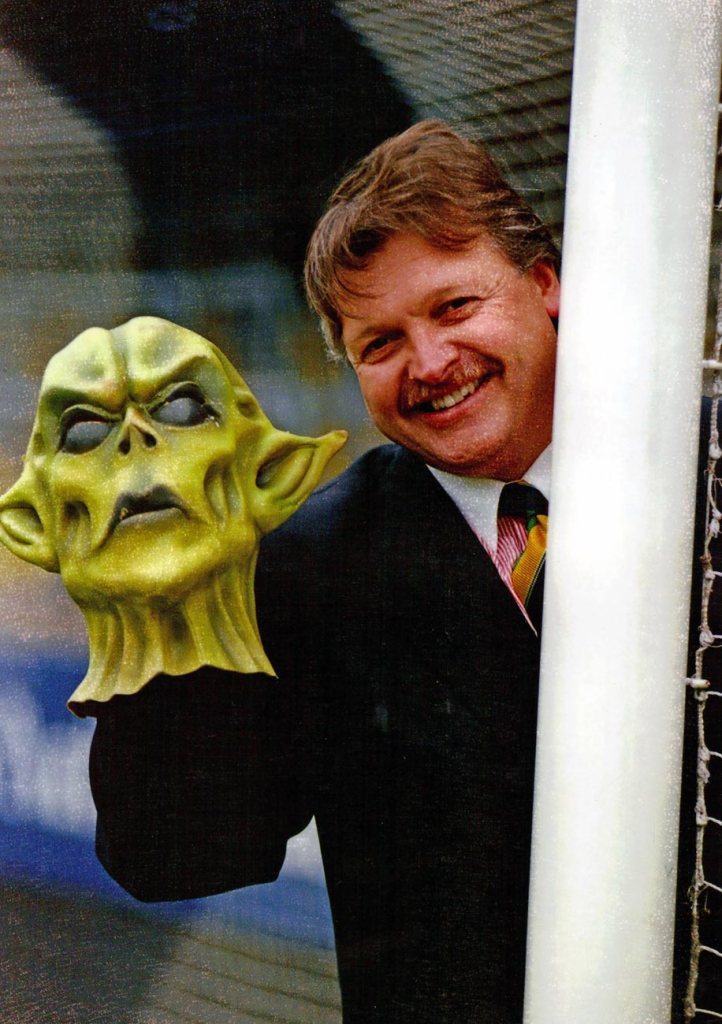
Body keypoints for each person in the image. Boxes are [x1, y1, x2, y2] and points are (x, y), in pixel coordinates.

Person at [87, 121, 716, 1022]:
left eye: (455, 307)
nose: (429, 364)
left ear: (545, 286)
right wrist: (169, 586)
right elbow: (164, 851)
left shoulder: (708, 466)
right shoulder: (307, 567)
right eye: (379, 343)